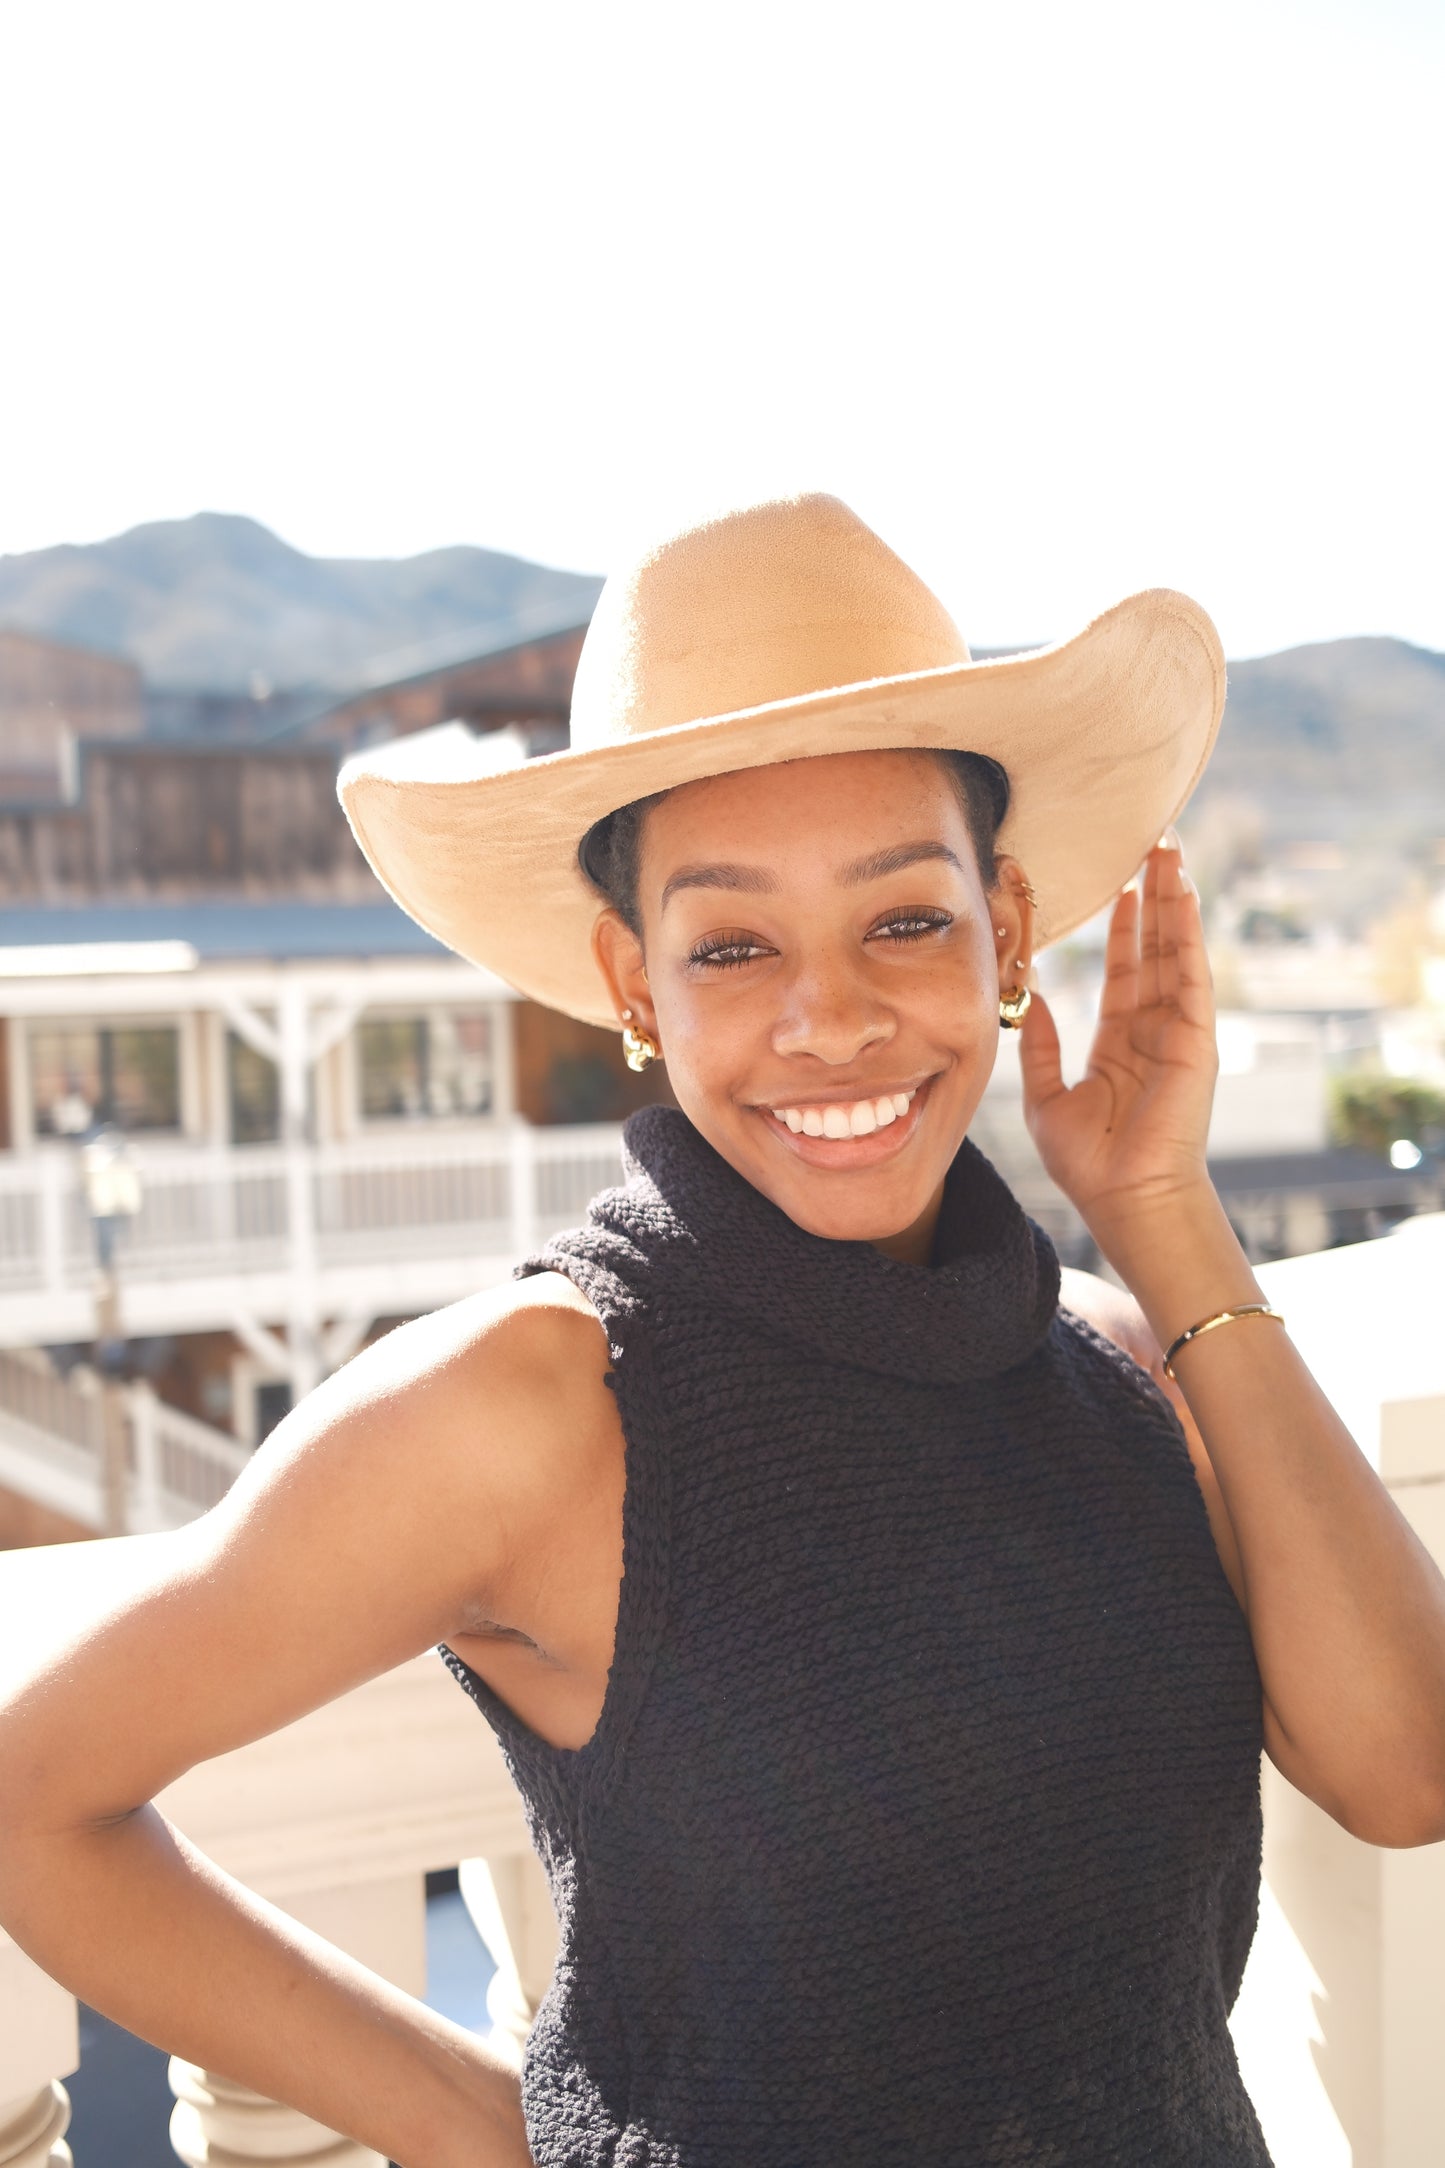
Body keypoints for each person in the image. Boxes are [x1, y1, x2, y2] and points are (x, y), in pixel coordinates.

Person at [2, 494, 1444, 2168]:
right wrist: (507, 2134)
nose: (827, 1018)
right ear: (633, 981)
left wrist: (1161, 1205)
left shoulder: (1123, 1367)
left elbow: (1404, 1770)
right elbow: (36, 1794)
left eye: (903, 918)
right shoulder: (534, 1401)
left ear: (1004, 927)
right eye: (732, 944)